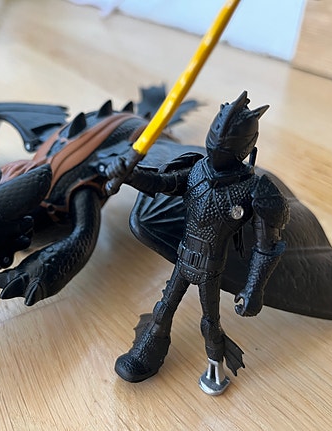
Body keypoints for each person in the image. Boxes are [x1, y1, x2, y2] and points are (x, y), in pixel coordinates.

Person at [110, 91, 290, 394]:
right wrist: (130, 174)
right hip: (184, 257)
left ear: (245, 146)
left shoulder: (254, 190)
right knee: (164, 309)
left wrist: (254, 289)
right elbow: (162, 183)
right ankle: (147, 352)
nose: (217, 146)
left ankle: (215, 368)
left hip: (212, 267)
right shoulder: (197, 169)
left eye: (226, 143)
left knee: (210, 322)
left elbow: (266, 247)